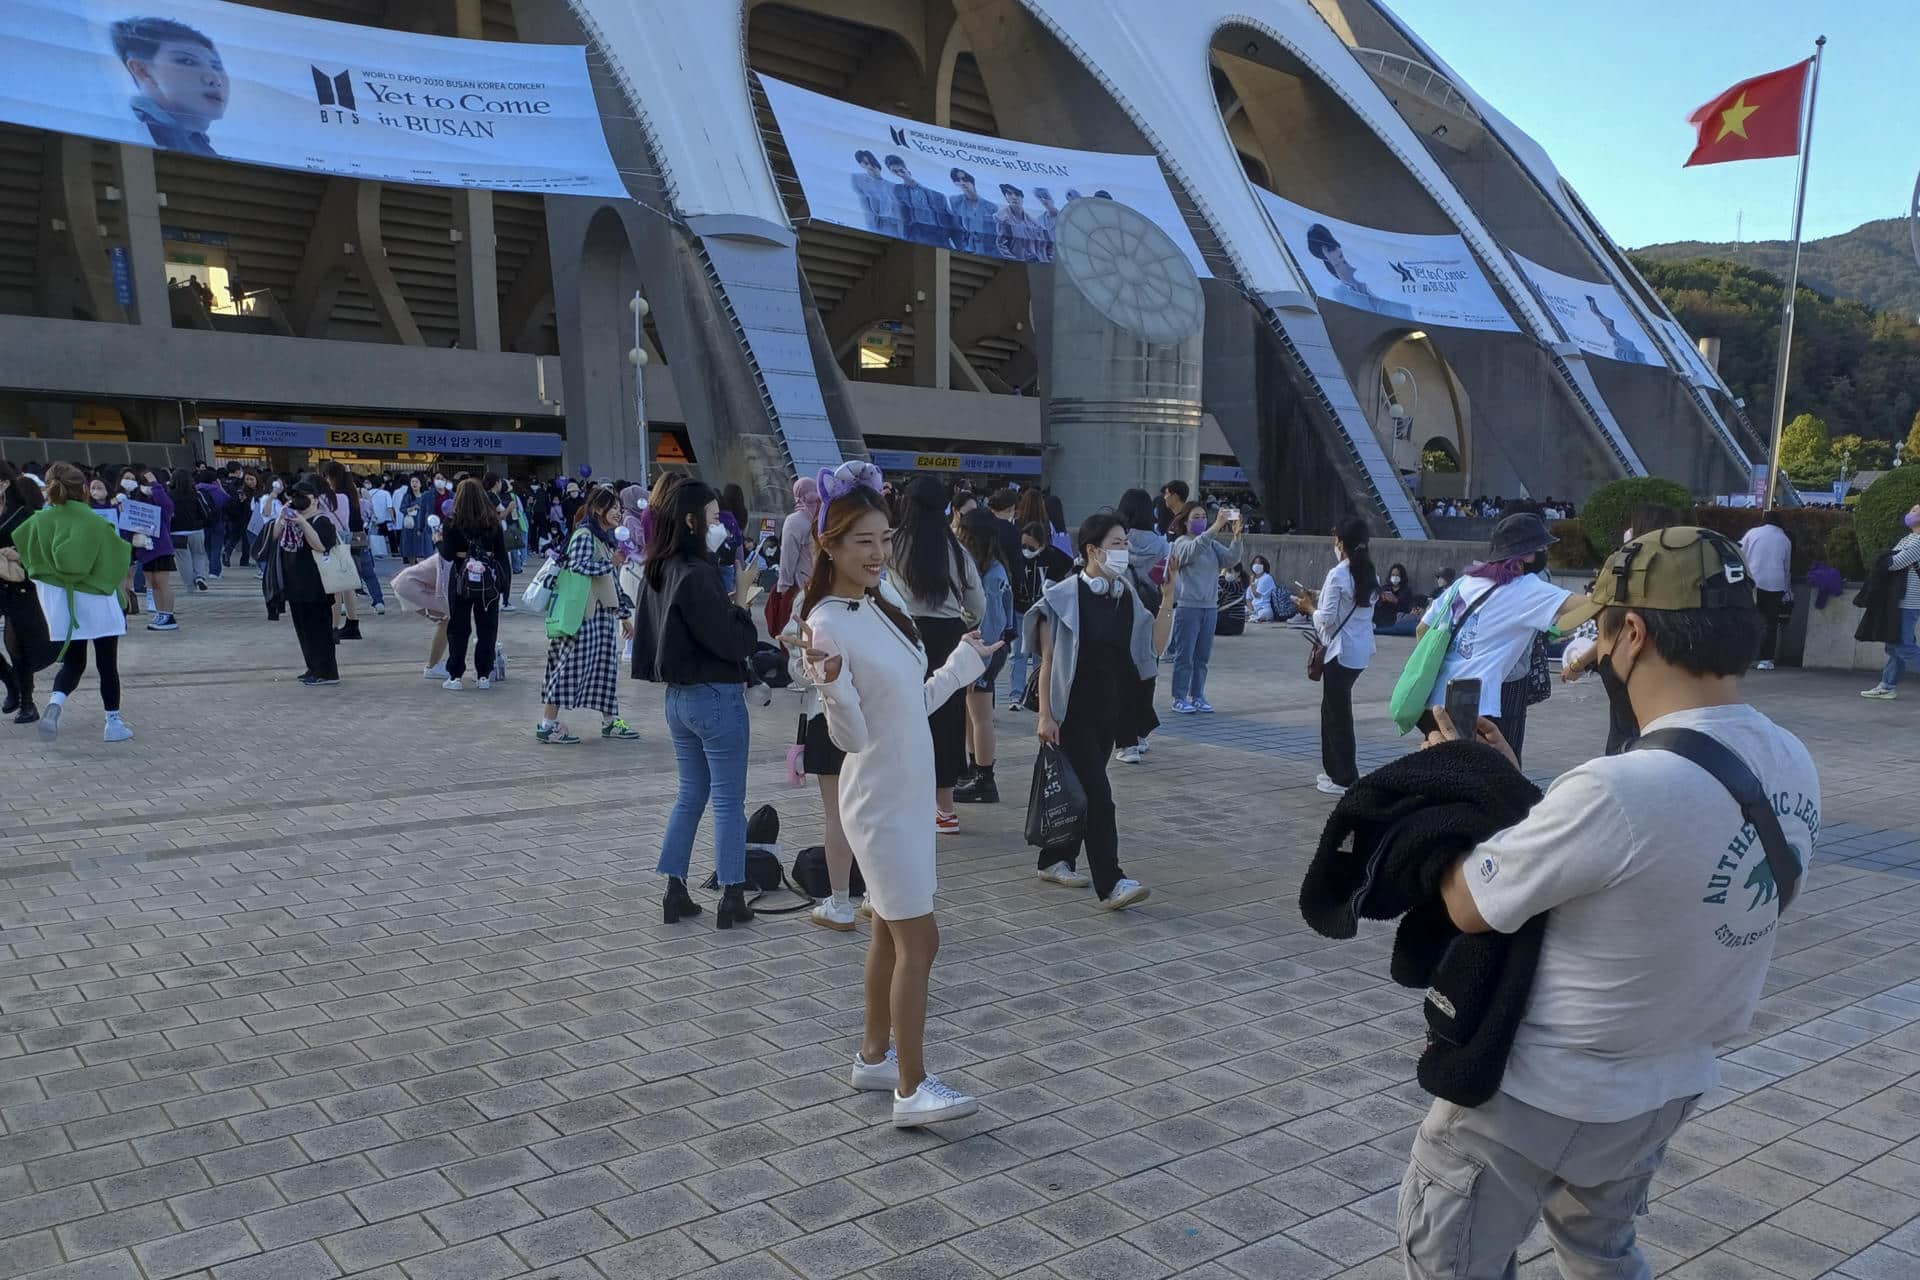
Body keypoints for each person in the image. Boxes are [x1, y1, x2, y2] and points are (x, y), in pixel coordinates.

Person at [1398, 527, 1819, 1280]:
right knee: (1600, 1252)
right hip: (1666, 1085)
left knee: (1448, 1264)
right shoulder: (1792, 760)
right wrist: (1525, 795)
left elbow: (1468, 901)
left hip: (1538, 1096)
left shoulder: (1617, 789)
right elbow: (1638, 873)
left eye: (1597, 629)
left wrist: (1459, 783)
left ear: (1633, 632)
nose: (1591, 650)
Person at [797, 462, 998, 1125]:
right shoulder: (829, 624)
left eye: (886, 539)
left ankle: (875, 1057)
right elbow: (853, 736)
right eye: (864, 542)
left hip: (909, 795)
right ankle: (911, 1088)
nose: (880, 553)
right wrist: (831, 688)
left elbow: (912, 703)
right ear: (829, 545)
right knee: (922, 941)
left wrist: (963, 663)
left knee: (889, 932)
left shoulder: (885, 605)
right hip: (879, 800)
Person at [633, 480, 759, 928]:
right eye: (711, 517)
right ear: (690, 520)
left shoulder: (659, 567)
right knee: (728, 801)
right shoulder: (697, 571)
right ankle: (732, 896)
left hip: (678, 699)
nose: (717, 525)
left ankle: (675, 889)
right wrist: (742, 598)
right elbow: (734, 642)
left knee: (690, 794)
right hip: (716, 697)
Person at [1028, 513, 1155, 909]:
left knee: (1079, 790)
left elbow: (1151, 650)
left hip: (1109, 711)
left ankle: (1054, 859)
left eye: (1125, 543)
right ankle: (1111, 881)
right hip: (1072, 713)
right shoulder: (1062, 597)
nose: (1124, 551)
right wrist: (1045, 716)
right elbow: (1047, 662)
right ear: (1092, 550)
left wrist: (1167, 597)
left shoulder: (1124, 595)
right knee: (1100, 796)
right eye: (1117, 543)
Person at [1418, 513, 1585, 755]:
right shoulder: (1525, 588)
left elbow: (1422, 628)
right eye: (1543, 548)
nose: (1545, 554)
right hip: (1478, 704)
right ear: (1528, 554)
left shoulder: (1464, 582)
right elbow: (1589, 606)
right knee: (1495, 778)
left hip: (1435, 701)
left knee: (1445, 775)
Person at [14, 463, 135, 740]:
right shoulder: (96, 522)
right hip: (97, 601)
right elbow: (116, 561)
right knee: (108, 666)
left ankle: (55, 703)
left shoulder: (38, 522)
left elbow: (27, 553)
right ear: (83, 488)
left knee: (73, 664)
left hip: (61, 604)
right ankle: (113, 723)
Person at [891, 477, 985, 834]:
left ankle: (904, 801)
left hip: (904, 635)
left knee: (902, 715)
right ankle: (944, 809)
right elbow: (977, 602)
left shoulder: (892, 544)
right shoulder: (956, 548)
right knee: (947, 721)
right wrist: (967, 622)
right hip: (949, 636)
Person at [538, 486, 639, 744]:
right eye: (613, 507)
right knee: (567, 668)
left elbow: (609, 583)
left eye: (619, 507)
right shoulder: (585, 535)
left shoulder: (603, 538)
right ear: (597, 510)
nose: (618, 512)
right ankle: (547, 724)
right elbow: (579, 565)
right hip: (581, 619)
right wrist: (611, 562)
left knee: (605, 671)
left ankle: (610, 720)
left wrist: (623, 615)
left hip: (599, 620)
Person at [1295, 517, 1378, 796]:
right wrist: (1320, 598)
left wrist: (1309, 608)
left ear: (1340, 544)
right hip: (1359, 651)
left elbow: (1326, 621)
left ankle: (1344, 777)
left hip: (1339, 652)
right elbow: (1353, 606)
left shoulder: (1339, 574)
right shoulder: (1369, 572)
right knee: (1334, 711)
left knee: (1336, 716)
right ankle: (1335, 771)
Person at [953, 510, 1013, 805]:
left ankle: (984, 778)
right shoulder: (990, 568)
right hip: (981, 650)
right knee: (972, 715)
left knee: (981, 717)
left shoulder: (991, 575)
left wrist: (980, 663)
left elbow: (992, 623)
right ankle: (973, 769)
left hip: (985, 651)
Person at [1166, 501, 1244, 714]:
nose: (1201, 520)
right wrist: (1216, 527)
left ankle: (1197, 694)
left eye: (1203, 517)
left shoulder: (1211, 544)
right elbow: (1193, 549)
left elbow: (1231, 559)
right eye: (1196, 517)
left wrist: (1237, 536)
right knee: (1185, 656)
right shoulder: (1181, 542)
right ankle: (1179, 697)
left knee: (1202, 657)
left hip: (1210, 608)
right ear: (1185, 521)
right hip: (1188, 607)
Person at [109, 17, 225, 157]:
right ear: (142, 71)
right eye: (187, 61)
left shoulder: (193, 140)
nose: (214, 79)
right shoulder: (136, 131)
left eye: (215, 66)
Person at [1112, 489, 1168, 763]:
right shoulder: (1161, 544)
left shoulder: (1118, 541)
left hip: (1124, 612)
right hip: (1153, 612)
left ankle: (1126, 744)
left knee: (1123, 678)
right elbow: (1165, 578)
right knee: (1148, 672)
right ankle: (1141, 734)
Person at [439, 478, 507, 691]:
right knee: (487, 627)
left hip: (461, 576)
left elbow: (448, 555)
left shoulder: (452, 522)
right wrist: (504, 587)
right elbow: (503, 556)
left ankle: (455, 676)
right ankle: (484, 675)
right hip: (488, 580)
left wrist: (438, 541)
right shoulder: (493, 521)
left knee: (458, 628)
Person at [277, 480, 342, 686]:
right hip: (296, 584)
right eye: (294, 496)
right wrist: (282, 517)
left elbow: (320, 546)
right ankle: (313, 667)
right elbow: (273, 538)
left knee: (319, 629)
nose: (297, 501)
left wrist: (304, 523)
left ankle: (327, 671)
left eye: (301, 496)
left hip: (317, 585)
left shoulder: (322, 521)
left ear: (314, 498)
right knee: (303, 629)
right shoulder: (290, 520)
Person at [0, 464, 50, 724]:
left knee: (17, 643)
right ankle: (11, 682)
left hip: (18, 583)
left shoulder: (25, 515)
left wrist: (19, 556)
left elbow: (41, 552)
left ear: (4, 484)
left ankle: (27, 702)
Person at [1861, 504, 1920, 700]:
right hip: (1897, 601)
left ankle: (1887, 685)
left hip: (1908, 602)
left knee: (1903, 646)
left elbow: (1893, 564)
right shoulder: (1908, 538)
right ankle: (1887, 685)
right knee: (1895, 646)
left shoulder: (1918, 542)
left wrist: (1883, 559)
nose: (1910, 513)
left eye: (1915, 510)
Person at [1735, 513, 1792, 672]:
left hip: (1753, 582)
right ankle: (1766, 660)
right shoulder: (1784, 539)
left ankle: (1745, 657)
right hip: (1776, 584)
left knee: (1749, 621)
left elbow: (1740, 555)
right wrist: (1787, 590)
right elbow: (1787, 567)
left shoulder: (1752, 533)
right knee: (1770, 623)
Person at [128, 467, 179, 630]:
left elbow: (168, 505)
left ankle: (168, 615)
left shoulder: (161, 502)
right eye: (143, 483)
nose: (146, 487)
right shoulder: (138, 502)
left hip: (161, 548)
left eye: (147, 483)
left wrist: (155, 485)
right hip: (145, 549)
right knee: (152, 583)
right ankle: (160, 612)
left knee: (162, 582)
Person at [768, 475, 819, 636]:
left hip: (799, 586)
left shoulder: (794, 521)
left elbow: (788, 558)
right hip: (822, 585)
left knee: (791, 635)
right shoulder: (824, 517)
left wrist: (783, 586)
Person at [885, 155, 955, 248]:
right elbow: (902, 214)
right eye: (895, 172)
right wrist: (906, 235)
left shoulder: (933, 189)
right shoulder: (898, 189)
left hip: (938, 232)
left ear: (907, 169)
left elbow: (947, 213)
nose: (899, 174)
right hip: (918, 232)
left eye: (901, 170)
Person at [850, 150, 904, 239]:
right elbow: (869, 208)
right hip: (873, 226)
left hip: (891, 227)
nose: (870, 166)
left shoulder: (888, 184)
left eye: (871, 162)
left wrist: (879, 179)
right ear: (861, 164)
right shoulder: (858, 179)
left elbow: (887, 210)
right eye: (866, 163)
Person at [946, 169, 998, 256]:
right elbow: (956, 227)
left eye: (965, 179)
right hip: (965, 250)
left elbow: (994, 234)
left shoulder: (991, 207)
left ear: (972, 180)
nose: (962, 183)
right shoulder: (955, 201)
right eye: (957, 180)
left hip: (986, 252)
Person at [1373, 562, 1419, 635]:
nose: (1395, 577)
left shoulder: (1406, 590)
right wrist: (1383, 599)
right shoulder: (1385, 588)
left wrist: (1396, 600)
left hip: (1395, 618)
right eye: (1393, 575)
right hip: (1381, 617)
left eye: (1397, 575)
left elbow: (1407, 607)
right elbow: (1376, 604)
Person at [1246, 555, 1283, 623]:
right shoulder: (1253, 579)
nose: (1256, 565)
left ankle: (1255, 617)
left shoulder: (1266, 578)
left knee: (1263, 614)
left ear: (1264, 566)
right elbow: (1248, 598)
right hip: (1254, 608)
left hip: (1264, 608)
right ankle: (1253, 616)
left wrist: (1252, 583)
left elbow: (1257, 595)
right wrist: (1252, 609)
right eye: (1255, 563)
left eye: (1259, 563)